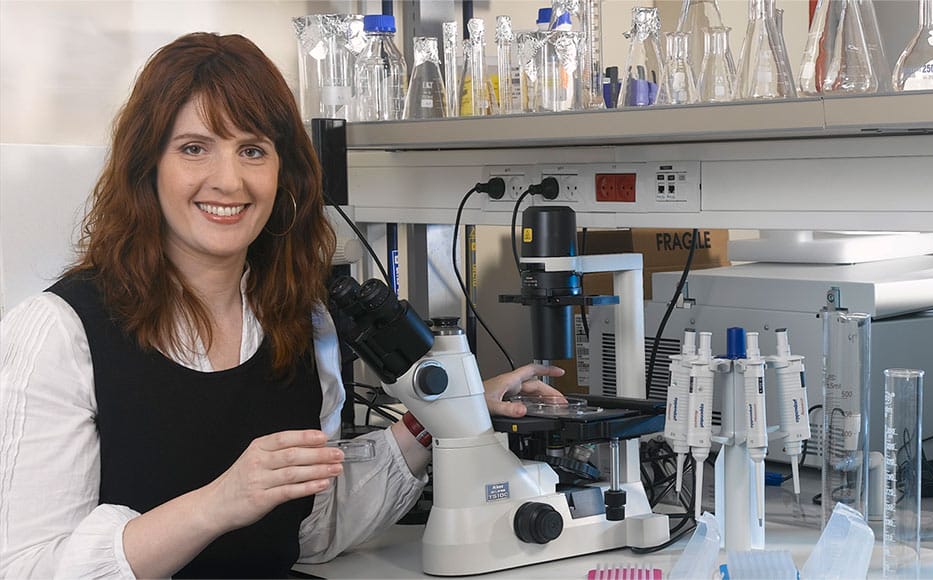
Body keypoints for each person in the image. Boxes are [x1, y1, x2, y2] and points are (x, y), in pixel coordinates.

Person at [0, 32, 564, 578]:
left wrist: (440, 421)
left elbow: (307, 531)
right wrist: (219, 502)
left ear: (282, 173)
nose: (228, 180)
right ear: (147, 168)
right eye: (194, 148)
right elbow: (28, 568)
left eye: (252, 150)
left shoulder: (301, 323)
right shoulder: (60, 333)